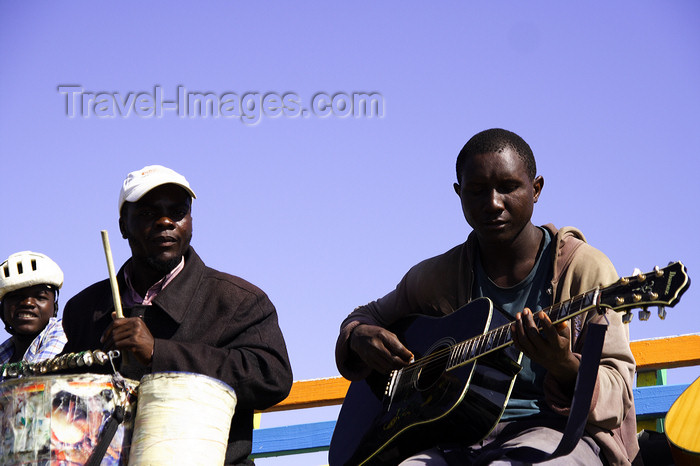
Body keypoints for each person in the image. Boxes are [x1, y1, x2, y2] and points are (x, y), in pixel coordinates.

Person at [335, 129, 639, 465]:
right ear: (459, 194)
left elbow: (619, 390)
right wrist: (359, 335)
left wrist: (565, 366)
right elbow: (366, 316)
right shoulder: (437, 276)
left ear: (536, 189)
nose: (493, 203)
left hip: (558, 435)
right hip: (452, 438)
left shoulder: (584, 269)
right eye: (477, 191)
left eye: (508, 187)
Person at [61, 165, 293, 465]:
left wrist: (159, 352)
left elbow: (271, 377)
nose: (166, 222)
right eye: (148, 214)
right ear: (122, 225)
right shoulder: (86, 308)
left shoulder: (237, 300)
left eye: (178, 212)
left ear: (191, 222)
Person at [0, 250, 67, 366]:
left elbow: (34, 379)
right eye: (15, 297)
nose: (28, 303)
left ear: (54, 306)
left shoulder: (62, 332)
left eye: (40, 297)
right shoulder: (5, 351)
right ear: (2, 309)